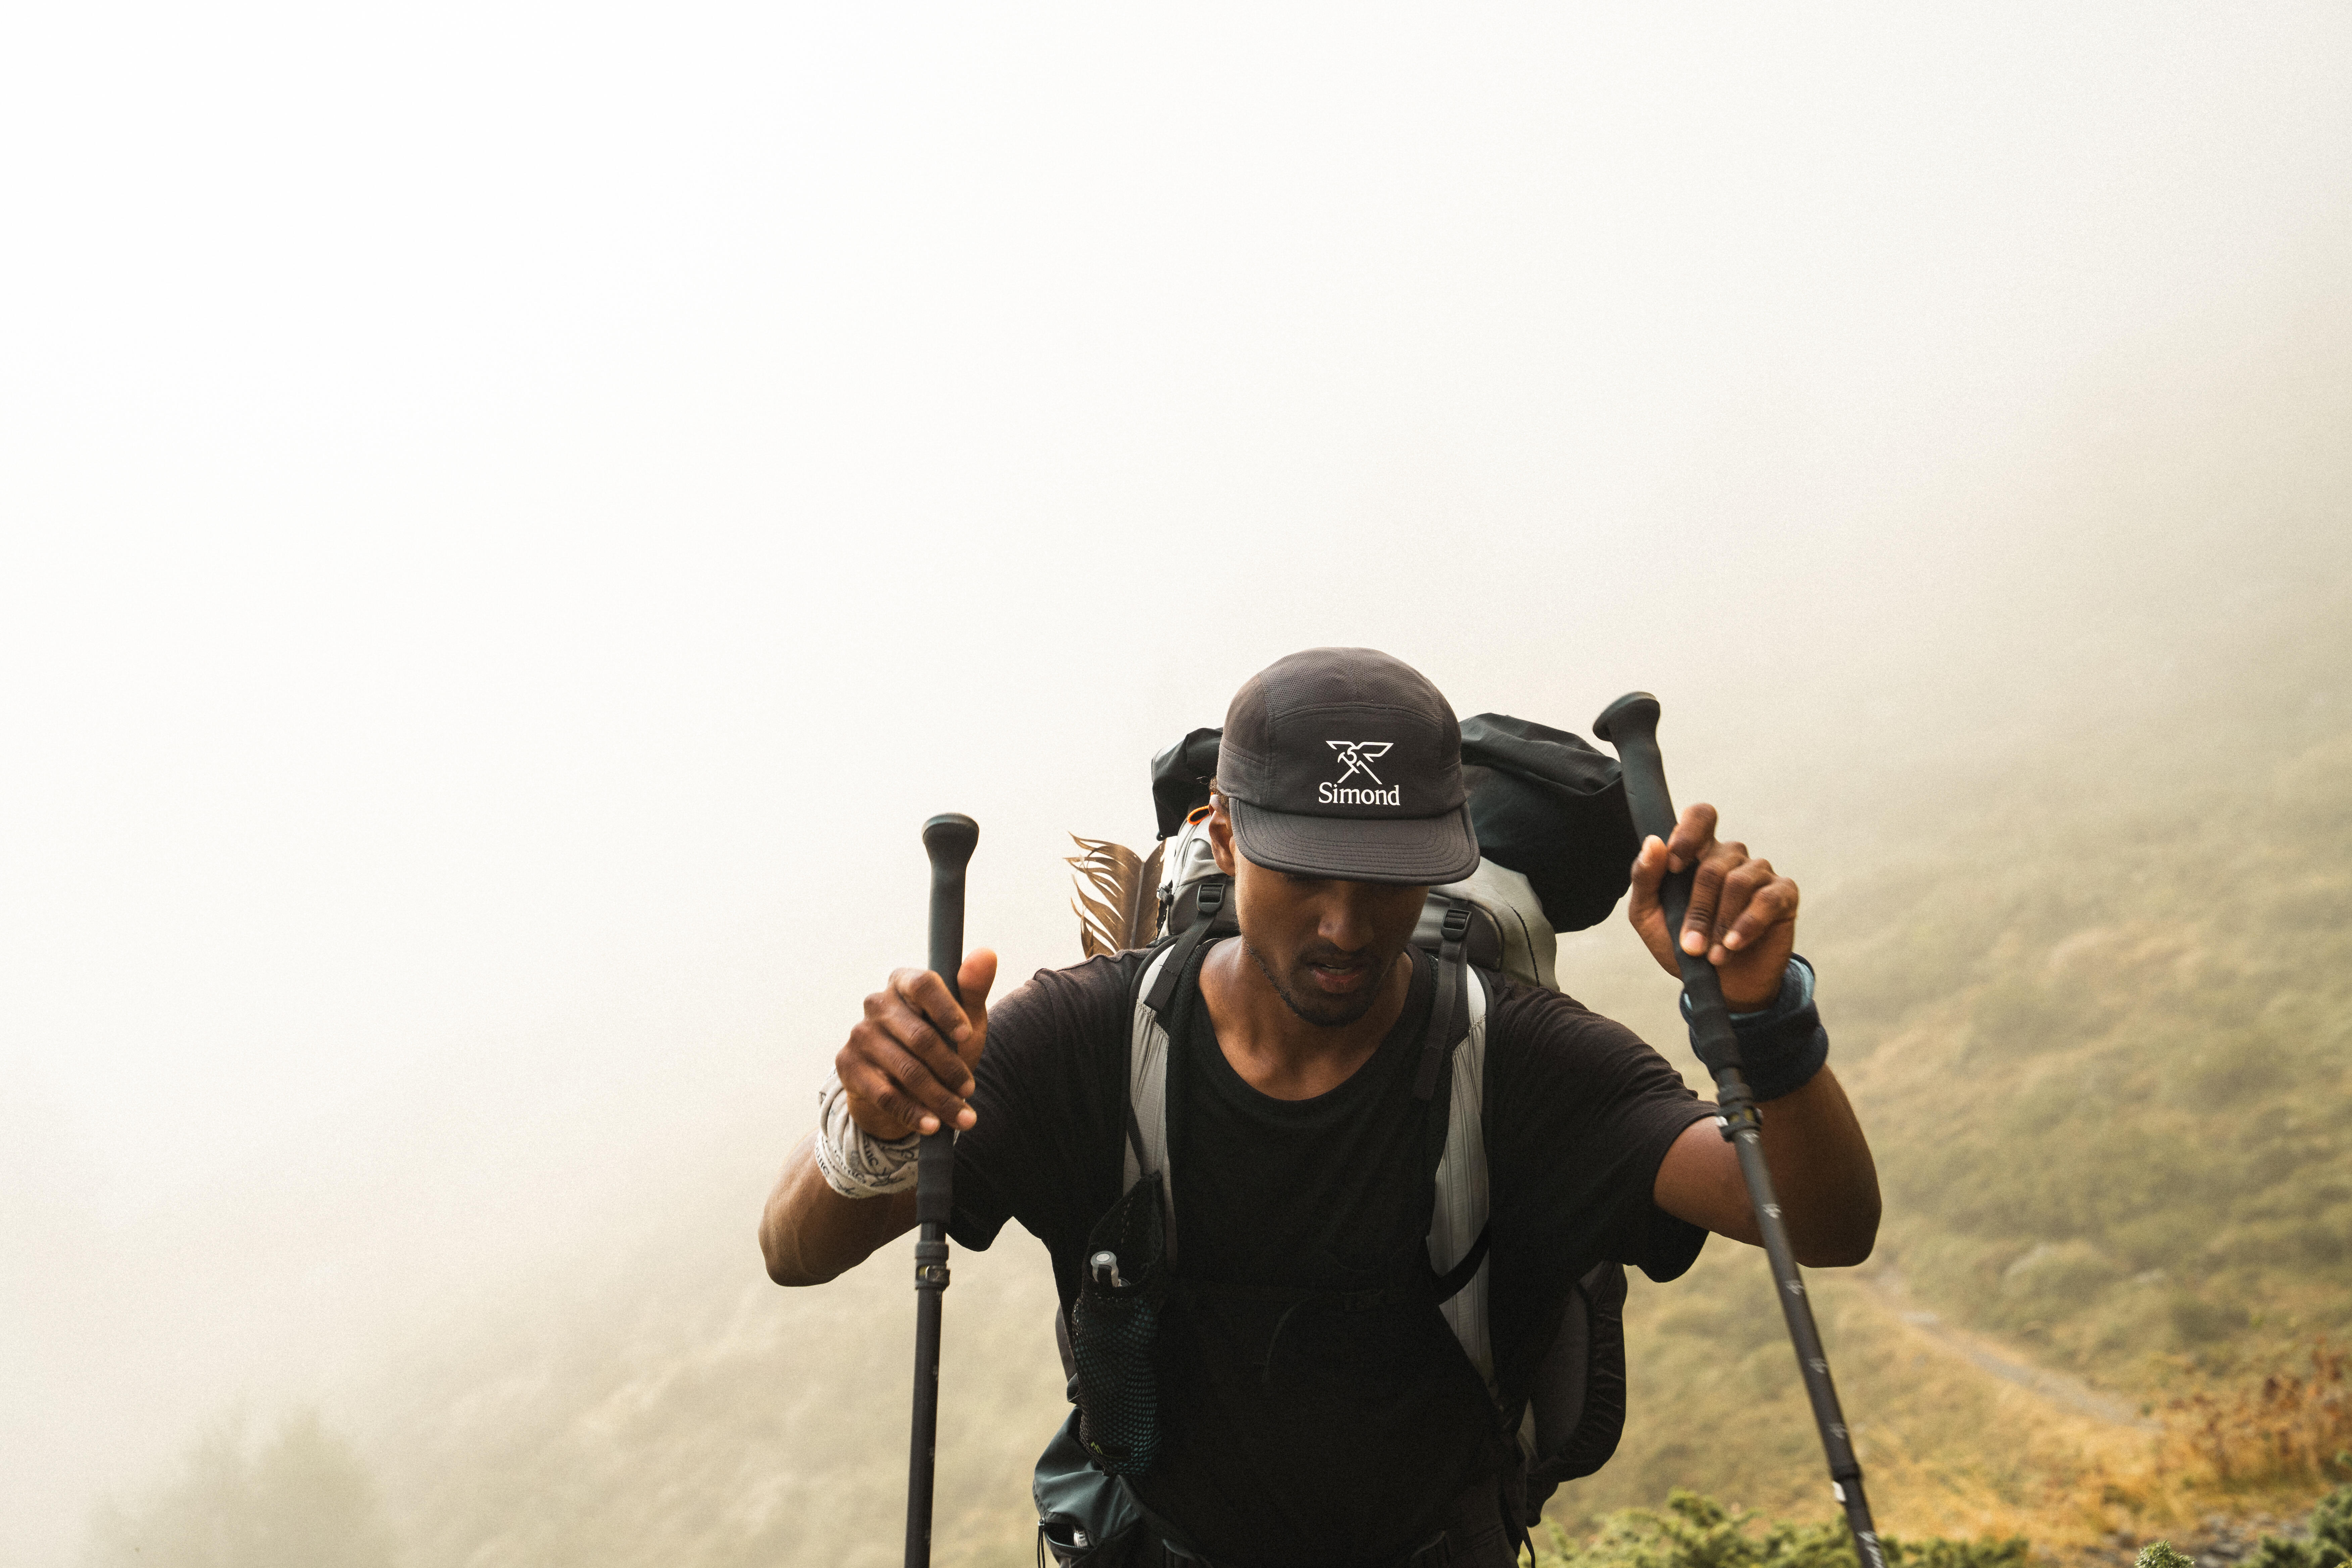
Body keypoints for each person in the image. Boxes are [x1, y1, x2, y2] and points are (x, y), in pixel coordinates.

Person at [761, 647, 1880, 1568]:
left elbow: (1822, 1225)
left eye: (1389, 875)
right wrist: (874, 1128)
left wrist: (1762, 1024)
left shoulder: (1513, 1058)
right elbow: (795, 1249)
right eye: (1307, 869)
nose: (1347, 925)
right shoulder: (1087, 1042)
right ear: (1225, 832)